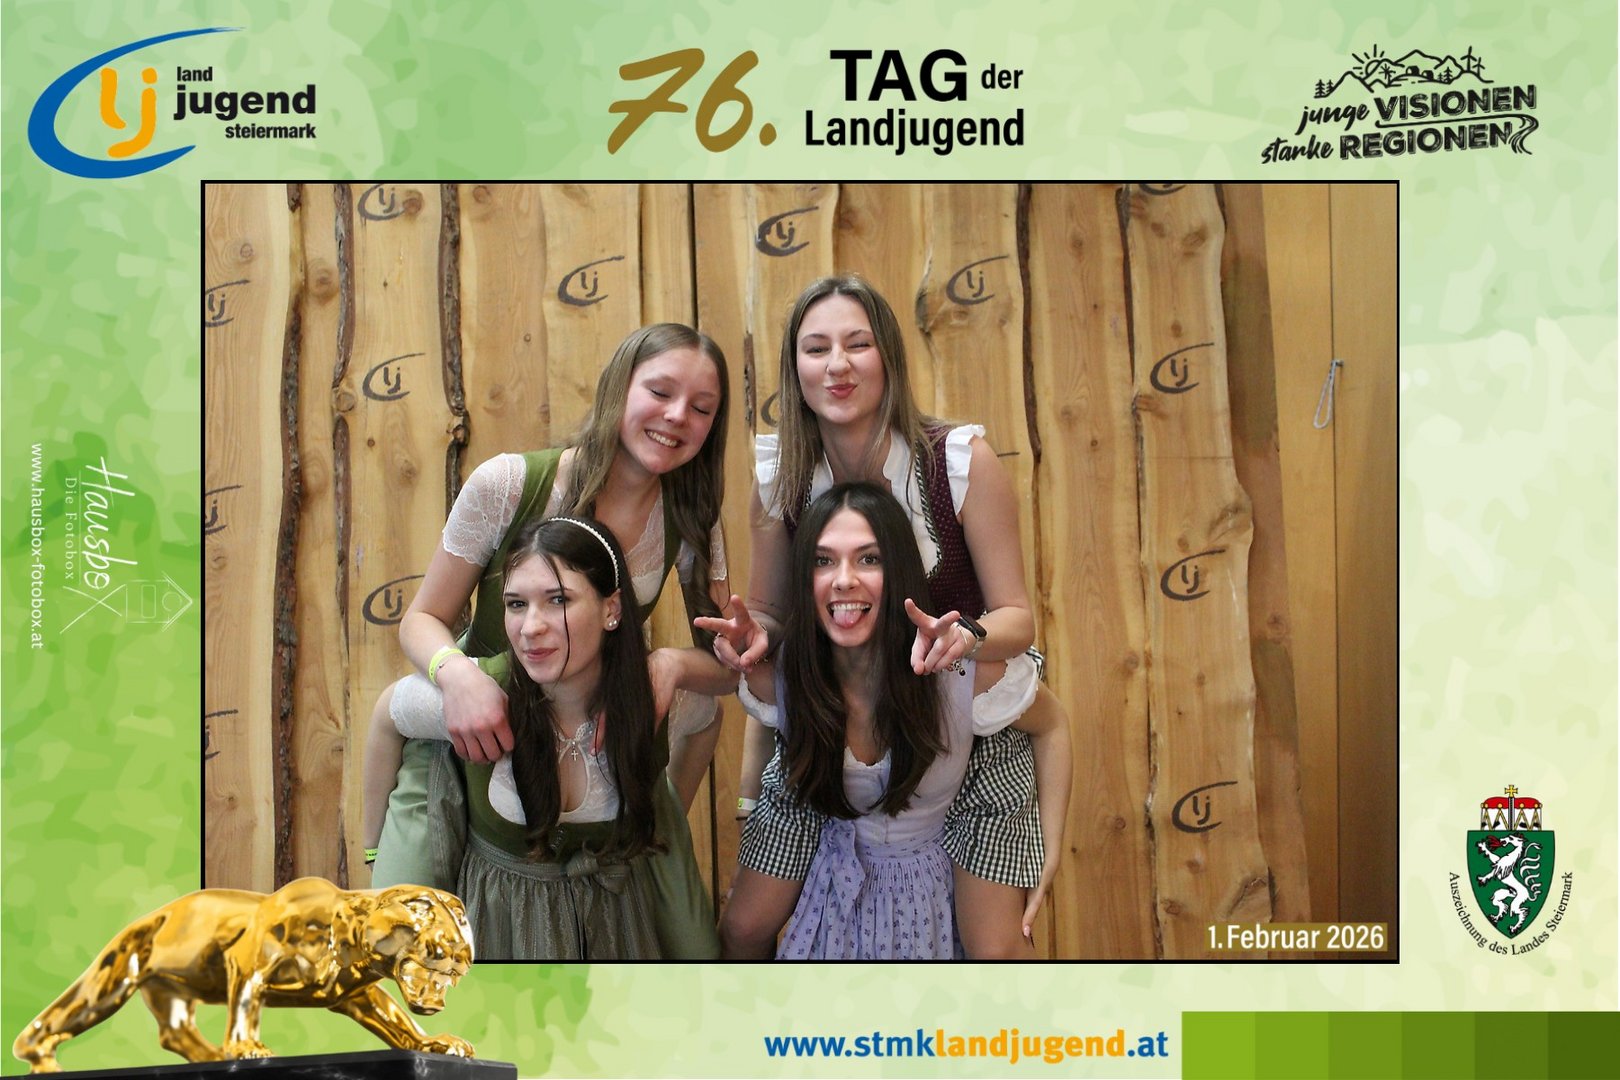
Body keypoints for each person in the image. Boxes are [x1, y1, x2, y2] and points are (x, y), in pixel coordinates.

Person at [707, 274, 1073, 958]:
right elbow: (771, 613)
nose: (837, 365)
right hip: (837, 711)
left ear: (889, 358)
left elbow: (1017, 617)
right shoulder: (781, 476)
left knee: (994, 948)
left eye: (857, 344)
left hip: (964, 714)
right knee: (742, 928)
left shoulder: (958, 463)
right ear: (794, 367)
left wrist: (966, 637)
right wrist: (754, 637)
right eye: (816, 348)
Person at [365, 323, 738, 958]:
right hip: (479, 726)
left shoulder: (692, 516)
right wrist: (459, 678)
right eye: (660, 392)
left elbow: (726, 667)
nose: (678, 416)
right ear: (619, 388)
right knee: (397, 947)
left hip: (595, 730)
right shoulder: (510, 484)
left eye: (702, 408)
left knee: (691, 946)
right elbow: (420, 619)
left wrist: (672, 663)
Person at [731, 483, 1066, 959]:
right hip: (840, 873)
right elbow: (743, 705)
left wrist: (1050, 847)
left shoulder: (959, 673)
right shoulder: (787, 677)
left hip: (935, 872)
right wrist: (745, 805)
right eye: (823, 561)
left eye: (868, 559)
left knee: (996, 957)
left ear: (900, 572)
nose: (844, 580)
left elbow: (1052, 724)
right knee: (740, 929)